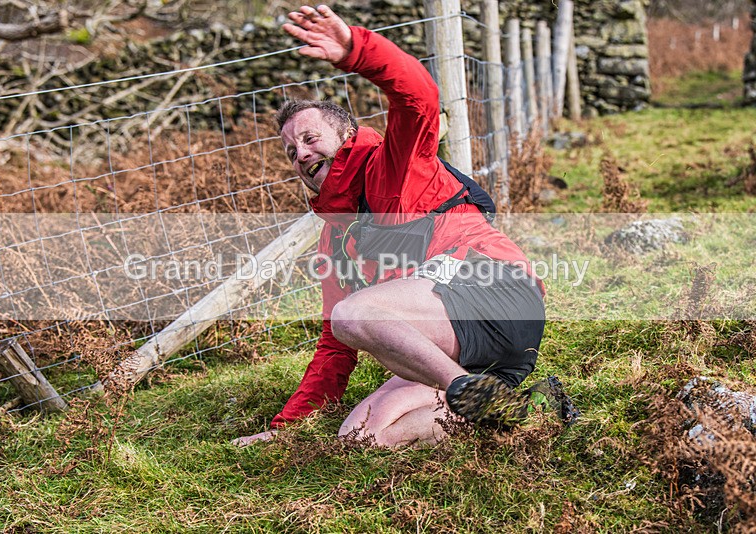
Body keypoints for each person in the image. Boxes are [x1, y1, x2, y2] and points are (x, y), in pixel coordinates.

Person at [234, 5, 568, 448]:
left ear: (347, 135)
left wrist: (356, 50)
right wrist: (282, 432)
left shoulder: (395, 165)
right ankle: (520, 411)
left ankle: (465, 391)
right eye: (291, 151)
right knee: (359, 436)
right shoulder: (336, 239)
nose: (301, 154)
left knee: (353, 313)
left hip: (497, 293)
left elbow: (419, 96)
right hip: (462, 348)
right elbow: (336, 349)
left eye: (310, 138)